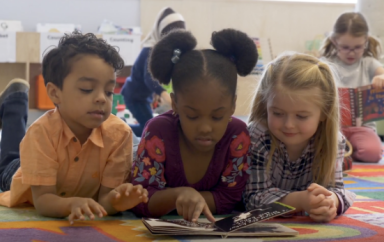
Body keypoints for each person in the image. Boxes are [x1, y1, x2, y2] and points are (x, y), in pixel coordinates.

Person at [0, 32, 148, 224]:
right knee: (8, 162)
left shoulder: (120, 135)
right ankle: (15, 103)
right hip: (24, 177)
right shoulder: (41, 133)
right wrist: (70, 204)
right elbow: (43, 201)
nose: (102, 98)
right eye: (87, 89)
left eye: (109, 91)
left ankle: (15, 102)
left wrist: (117, 201)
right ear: (55, 93)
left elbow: (105, 201)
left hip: (48, 164)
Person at [130, 28, 258, 222]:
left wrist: (190, 199)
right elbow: (139, 200)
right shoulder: (158, 133)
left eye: (217, 117)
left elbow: (230, 198)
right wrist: (179, 196)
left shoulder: (237, 136)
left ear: (232, 105)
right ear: (175, 104)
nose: (205, 128)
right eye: (192, 116)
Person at [243, 53, 356, 222]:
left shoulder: (333, 140)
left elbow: (338, 190)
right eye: (278, 113)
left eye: (301, 116)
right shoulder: (257, 136)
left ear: (324, 113)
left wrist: (330, 202)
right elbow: (253, 199)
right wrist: (301, 201)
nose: (288, 124)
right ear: (265, 105)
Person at [320, 12, 384, 163]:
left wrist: (381, 78)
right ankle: (344, 153)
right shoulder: (325, 64)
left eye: (358, 47)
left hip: (363, 128)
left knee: (372, 154)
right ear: (335, 41)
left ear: (366, 42)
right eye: (346, 47)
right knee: (321, 152)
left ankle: (346, 153)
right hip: (332, 127)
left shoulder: (368, 63)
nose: (352, 52)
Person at [121, 7, 186, 137]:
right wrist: (163, 94)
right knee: (150, 128)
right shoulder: (151, 50)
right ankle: (119, 128)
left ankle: (121, 125)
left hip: (142, 96)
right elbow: (148, 78)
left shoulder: (159, 50)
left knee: (149, 125)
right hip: (135, 96)